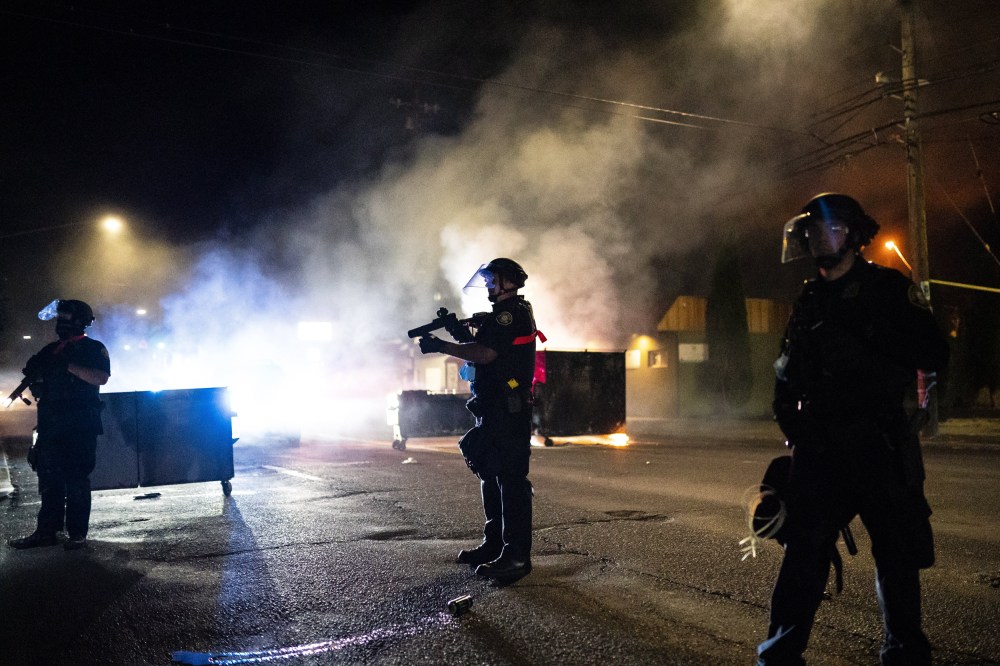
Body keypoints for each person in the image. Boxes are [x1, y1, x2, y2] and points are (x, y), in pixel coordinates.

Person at [757, 194, 950, 665]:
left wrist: (878, 334)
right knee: (803, 557)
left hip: (880, 444)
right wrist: (790, 419)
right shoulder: (808, 299)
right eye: (816, 231)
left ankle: (905, 655)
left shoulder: (887, 288)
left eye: (834, 228)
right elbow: (786, 372)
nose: (823, 237)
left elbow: (934, 351)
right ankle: (779, 657)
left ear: (855, 236)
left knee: (897, 558)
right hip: (822, 449)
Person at [419, 258, 540, 582]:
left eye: (492, 280)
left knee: (511, 481)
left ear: (508, 282)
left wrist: (443, 345)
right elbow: (485, 345)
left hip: (508, 409)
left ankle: (516, 557)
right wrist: (461, 332)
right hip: (494, 407)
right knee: (490, 473)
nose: (488, 286)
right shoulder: (502, 316)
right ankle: (495, 544)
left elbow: (487, 354)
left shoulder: (509, 313)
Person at [9, 299, 111, 551]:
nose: (60, 323)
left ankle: (77, 535)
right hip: (51, 425)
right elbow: (36, 380)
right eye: (59, 318)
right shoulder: (50, 350)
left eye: (66, 318)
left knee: (76, 480)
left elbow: (101, 377)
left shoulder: (93, 348)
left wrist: (67, 365)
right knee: (50, 481)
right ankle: (46, 533)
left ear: (80, 321)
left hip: (79, 425)